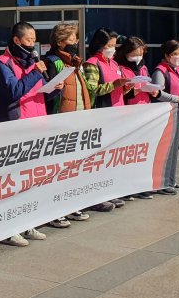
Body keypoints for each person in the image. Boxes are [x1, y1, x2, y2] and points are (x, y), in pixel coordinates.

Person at [0, 21, 61, 246]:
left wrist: (53, 89)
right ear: (17, 40)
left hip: (37, 126)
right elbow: (13, 92)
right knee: (12, 181)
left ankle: (27, 222)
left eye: (34, 40)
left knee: (30, 180)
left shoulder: (31, 62)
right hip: (15, 128)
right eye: (29, 40)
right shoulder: (1, 64)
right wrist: (35, 72)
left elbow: (39, 94)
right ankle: (9, 228)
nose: (33, 44)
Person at [42, 23, 91, 225]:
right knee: (58, 168)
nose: (76, 43)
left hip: (78, 120)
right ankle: (55, 210)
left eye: (76, 39)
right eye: (72, 39)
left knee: (73, 167)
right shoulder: (53, 62)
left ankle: (71, 205)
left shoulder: (75, 63)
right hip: (61, 121)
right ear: (60, 41)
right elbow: (48, 93)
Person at [83, 28, 130, 211]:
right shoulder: (92, 64)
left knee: (112, 158)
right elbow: (92, 90)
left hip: (117, 113)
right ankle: (97, 196)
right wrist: (114, 85)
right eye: (109, 45)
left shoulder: (114, 64)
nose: (112, 49)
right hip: (102, 115)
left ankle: (111, 191)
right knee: (100, 158)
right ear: (100, 45)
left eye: (114, 45)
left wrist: (123, 88)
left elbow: (115, 87)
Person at [114, 36, 158, 200]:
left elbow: (147, 85)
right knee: (129, 152)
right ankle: (128, 186)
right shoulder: (121, 68)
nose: (137, 57)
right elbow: (121, 94)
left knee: (142, 151)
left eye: (140, 53)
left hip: (144, 111)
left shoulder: (144, 68)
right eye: (134, 53)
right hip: (129, 113)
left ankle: (140, 185)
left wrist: (152, 90)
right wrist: (136, 90)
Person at [151, 39, 179, 195]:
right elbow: (158, 93)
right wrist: (177, 99)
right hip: (167, 117)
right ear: (166, 55)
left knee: (175, 150)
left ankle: (170, 180)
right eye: (175, 54)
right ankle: (162, 182)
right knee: (166, 152)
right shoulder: (160, 71)